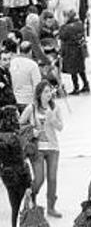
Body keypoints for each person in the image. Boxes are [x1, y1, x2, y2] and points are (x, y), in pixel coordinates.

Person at [20, 81, 63, 217]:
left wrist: (52, 119)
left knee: (52, 178)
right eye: (45, 92)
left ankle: (51, 207)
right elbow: (20, 124)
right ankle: (31, 198)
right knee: (39, 178)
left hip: (52, 147)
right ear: (39, 94)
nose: (48, 94)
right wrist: (32, 131)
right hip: (36, 148)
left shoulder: (55, 108)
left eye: (50, 91)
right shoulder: (31, 108)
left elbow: (60, 127)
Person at [0, 106, 32, 227]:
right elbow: (22, 162)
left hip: (7, 177)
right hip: (19, 177)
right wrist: (29, 184)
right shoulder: (15, 138)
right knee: (22, 211)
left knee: (15, 209)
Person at [58, 10, 89, 95]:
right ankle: (86, 84)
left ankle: (76, 87)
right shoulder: (80, 24)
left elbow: (61, 36)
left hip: (70, 50)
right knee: (81, 68)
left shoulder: (66, 27)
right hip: (79, 49)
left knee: (73, 70)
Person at [8, 40, 41, 110]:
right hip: (28, 100)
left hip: (14, 99)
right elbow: (37, 85)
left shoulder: (12, 62)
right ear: (30, 51)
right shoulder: (33, 65)